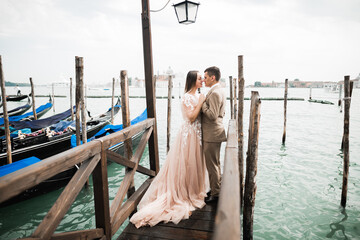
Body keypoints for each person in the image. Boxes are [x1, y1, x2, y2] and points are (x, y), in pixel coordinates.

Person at [130, 70, 209, 228]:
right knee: (187, 164)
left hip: (198, 134)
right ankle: (185, 193)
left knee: (196, 164)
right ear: (193, 80)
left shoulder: (199, 94)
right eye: (200, 78)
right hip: (189, 135)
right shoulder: (188, 96)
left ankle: (195, 189)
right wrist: (201, 101)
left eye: (203, 78)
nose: (202, 80)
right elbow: (191, 117)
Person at [201, 66, 226, 203]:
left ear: (213, 77)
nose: (204, 80)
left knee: (212, 164)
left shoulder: (215, 93)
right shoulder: (219, 90)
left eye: (205, 77)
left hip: (212, 134)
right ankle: (216, 188)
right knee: (215, 163)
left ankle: (216, 194)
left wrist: (202, 103)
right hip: (215, 132)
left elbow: (212, 115)